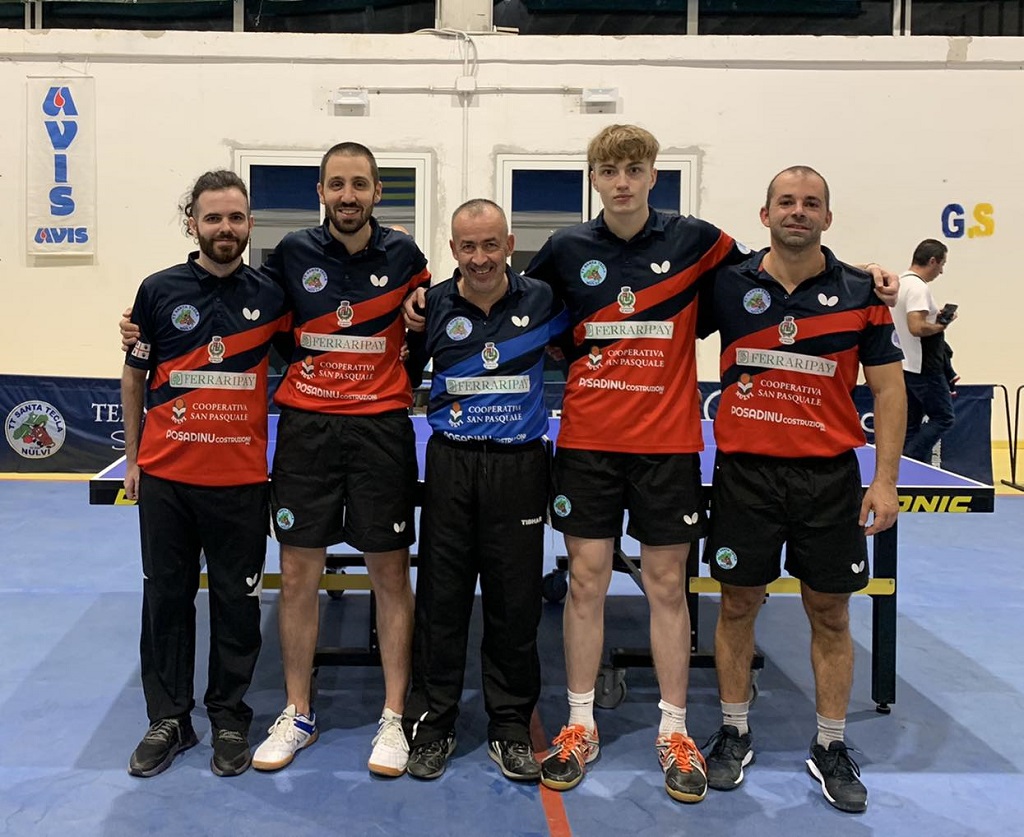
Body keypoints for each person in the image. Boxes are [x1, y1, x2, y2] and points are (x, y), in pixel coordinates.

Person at [403, 125, 897, 803]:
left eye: (634, 169)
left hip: (667, 447)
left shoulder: (697, 241)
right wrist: (427, 295)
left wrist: (860, 273)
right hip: (588, 444)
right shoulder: (566, 249)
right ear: (595, 180)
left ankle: (674, 729)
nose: (623, 182)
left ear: (653, 176)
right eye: (610, 171)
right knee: (586, 582)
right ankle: (579, 725)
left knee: (667, 586)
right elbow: (506, 301)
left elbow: (780, 262)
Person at [122, 143, 431, 778]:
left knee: (390, 575)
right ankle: (295, 712)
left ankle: (393, 717)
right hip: (304, 433)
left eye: (360, 184)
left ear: (378, 192)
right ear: (320, 192)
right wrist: (138, 328)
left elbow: (431, 319)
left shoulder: (405, 258)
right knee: (293, 576)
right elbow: (260, 329)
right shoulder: (288, 257)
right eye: (337, 184)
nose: (348, 195)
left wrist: (421, 320)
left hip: (379, 431)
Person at [698, 166, 906, 814]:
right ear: (765, 215)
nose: (798, 211)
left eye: (810, 203)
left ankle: (831, 744)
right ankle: (734, 730)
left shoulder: (859, 291)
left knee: (831, 613)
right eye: (786, 202)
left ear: (827, 217)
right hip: (746, 475)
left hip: (828, 478)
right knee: (737, 606)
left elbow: (889, 389)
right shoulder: (728, 283)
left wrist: (886, 480)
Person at [121, 170, 291, 778]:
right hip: (167, 479)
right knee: (166, 600)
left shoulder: (272, 295)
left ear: (249, 225)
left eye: (235, 217)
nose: (225, 228)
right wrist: (135, 457)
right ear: (192, 223)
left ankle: (228, 715)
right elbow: (135, 374)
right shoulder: (157, 290)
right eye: (213, 217)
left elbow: (323, 341)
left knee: (237, 604)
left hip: (240, 481)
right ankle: (169, 719)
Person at [400, 199, 568, 781]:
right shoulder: (432, 306)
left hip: (520, 467)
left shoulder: (544, 300)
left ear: (510, 245)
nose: (480, 258)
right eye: (468, 246)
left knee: (514, 604)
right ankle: (433, 725)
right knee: (441, 601)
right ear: (452, 249)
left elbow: (587, 345)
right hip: (451, 464)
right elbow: (403, 374)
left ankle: (511, 727)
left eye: (491, 244)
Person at [891, 239, 956, 463]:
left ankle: (910, 470)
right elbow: (917, 327)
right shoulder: (918, 288)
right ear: (932, 261)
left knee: (911, 424)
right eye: (942, 264)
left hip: (904, 364)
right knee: (943, 417)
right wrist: (941, 326)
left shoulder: (900, 283)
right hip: (924, 366)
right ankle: (911, 458)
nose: (941, 271)